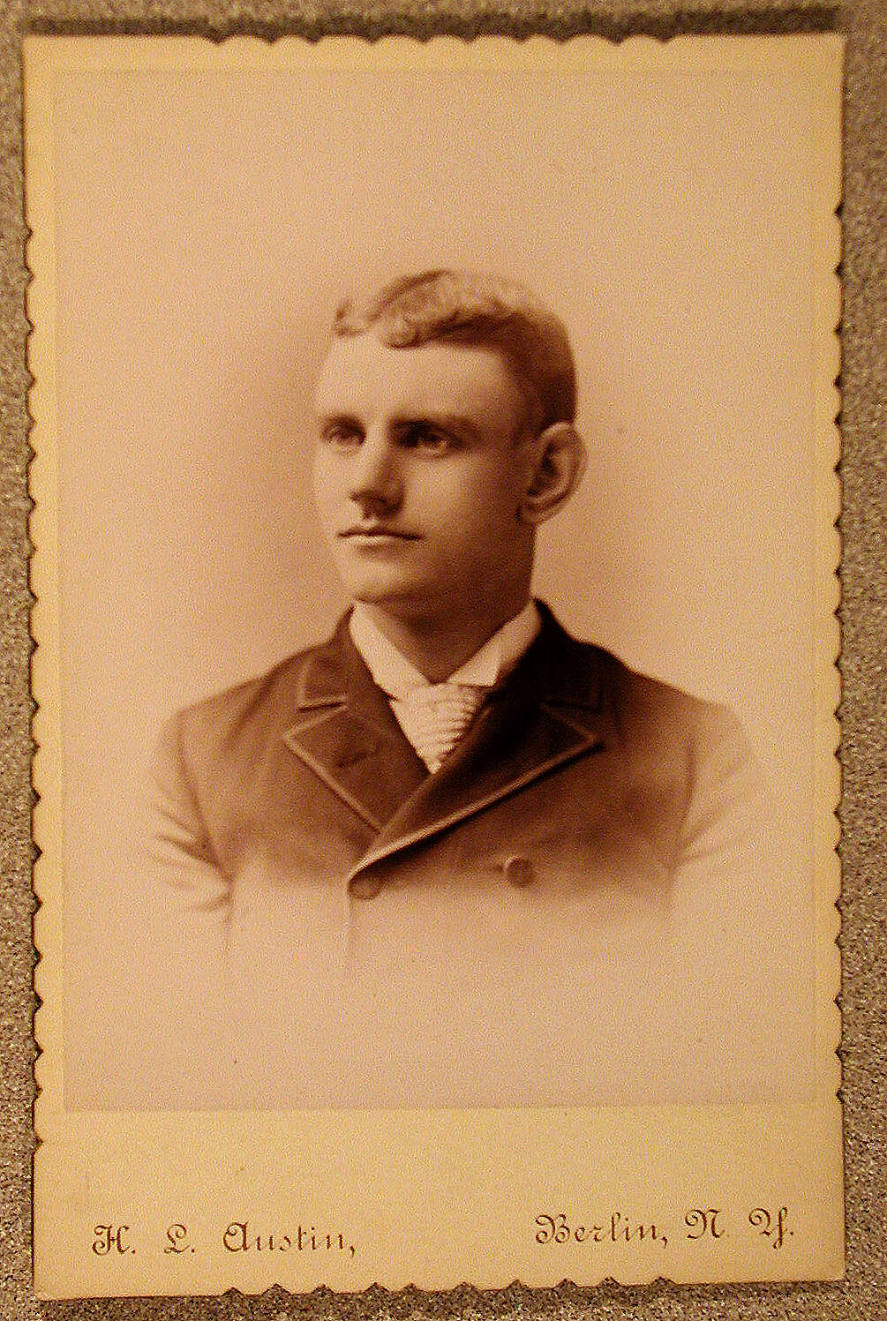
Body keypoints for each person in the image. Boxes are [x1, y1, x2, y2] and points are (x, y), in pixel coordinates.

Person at [145, 270, 801, 1110]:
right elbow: (176, 1096)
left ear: (546, 475)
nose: (367, 484)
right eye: (343, 433)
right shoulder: (203, 759)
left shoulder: (693, 756)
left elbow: (735, 1084)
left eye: (426, 437)